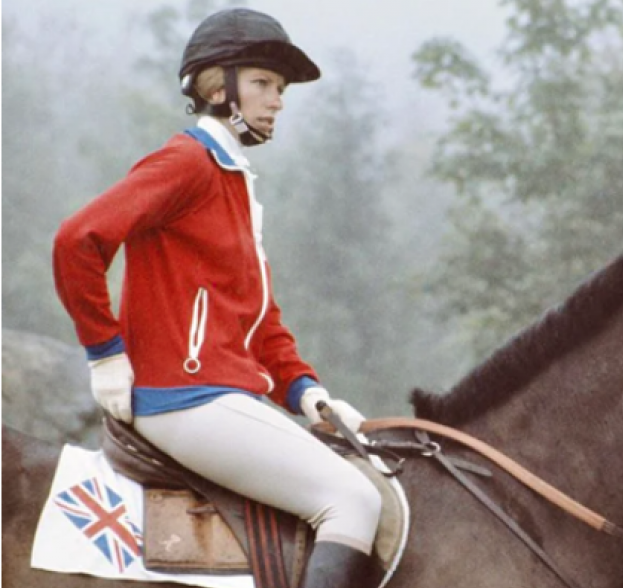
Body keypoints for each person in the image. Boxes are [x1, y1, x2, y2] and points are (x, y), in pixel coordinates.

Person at [52, 8, 381, 588]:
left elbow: (259, 320)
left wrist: (308, 393)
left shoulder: (233, 181)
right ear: (215, 88)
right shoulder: (188, 163)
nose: (277, 100)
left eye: (280, 89)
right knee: (353, 501)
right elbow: (77, 240)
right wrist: (105, 352)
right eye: (262, 83)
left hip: (224, 397)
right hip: (184, 398)